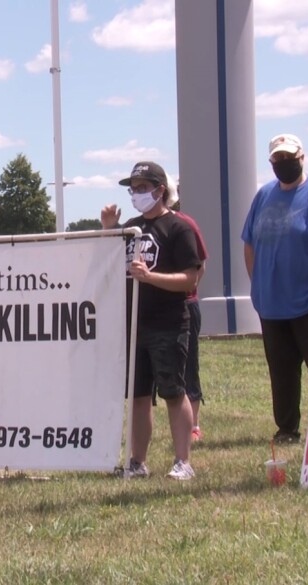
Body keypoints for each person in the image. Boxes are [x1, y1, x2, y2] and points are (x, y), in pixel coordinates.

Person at [101, 161, 202, 480]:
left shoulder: (179, 228)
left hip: (168, 323)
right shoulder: (130, 227)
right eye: (133, 188)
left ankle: (183, 461)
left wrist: (151, 277)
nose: (136, 194)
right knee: (139, 396)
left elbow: (190, 279)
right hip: (134, 327)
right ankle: (137, 462)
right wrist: (108, 230)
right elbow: (106, 266)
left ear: (160, 190)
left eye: (143, 188)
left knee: (174, 391)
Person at [242, 133, 308, 444]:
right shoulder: (264, 195)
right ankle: (287, 429)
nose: (283, 164)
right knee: (281, 374)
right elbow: (249, 242)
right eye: (277, 159)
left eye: (289, 158)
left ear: (302, 157)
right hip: (271, 304)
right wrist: (257, 285)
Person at [168, 183, 209, 442]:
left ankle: (193, 425)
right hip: (156, 310)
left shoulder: (185, 225)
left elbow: (200, 265)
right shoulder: (142, 227)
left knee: (188, 365)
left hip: (185, 304)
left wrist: (187, 292)